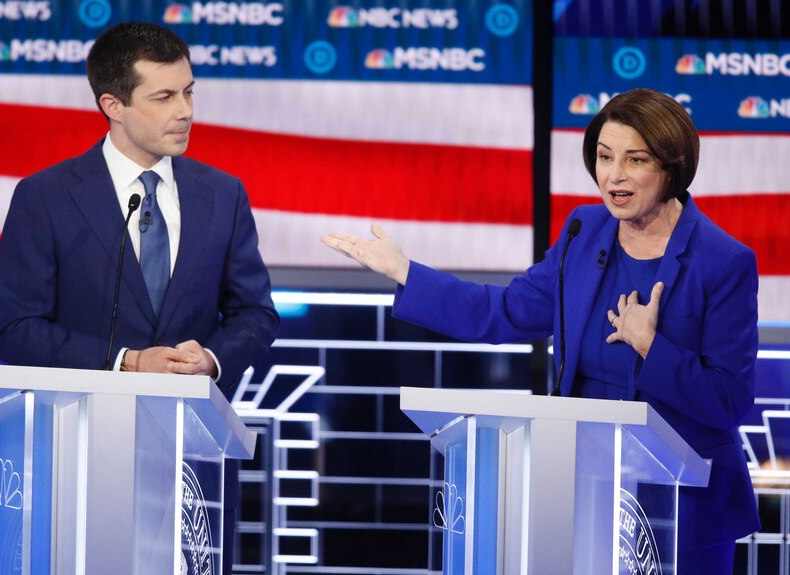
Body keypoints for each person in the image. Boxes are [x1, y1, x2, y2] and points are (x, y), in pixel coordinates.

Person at [322, 88, 759, 573]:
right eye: (604, 156)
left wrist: (650, 345)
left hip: (684, 509)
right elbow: (507, 311)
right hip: (583, 490)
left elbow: (730, 402)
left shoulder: (723, 262)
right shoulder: (584, 231)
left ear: (672, 168)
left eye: (635, 160)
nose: (614, 175)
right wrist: (408, 273)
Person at [0, 22, 279, 574]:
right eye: (165, 96)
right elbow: (16, 329)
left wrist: (212, 359)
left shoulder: (223, 194)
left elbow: (256, 313)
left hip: (190, 462)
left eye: (190, 91)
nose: (186, 110)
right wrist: (126, 362)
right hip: (74, 455)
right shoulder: (45, 197)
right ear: (113, 104)